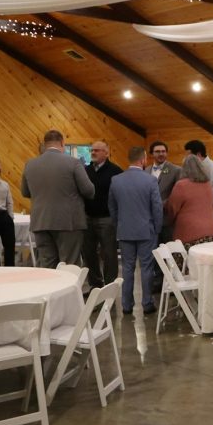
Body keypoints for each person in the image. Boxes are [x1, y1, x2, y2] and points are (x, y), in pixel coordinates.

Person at [21, 130, 95, 269]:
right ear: (62, 143)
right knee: (69, 265)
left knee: (47, 265)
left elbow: (25, 192)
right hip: (68, 222)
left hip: (41, 222)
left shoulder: (30, 164)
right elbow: (89, 190)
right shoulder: (73, 162)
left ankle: (50, 290)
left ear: (45, 144)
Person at [109, 146, 161, 315]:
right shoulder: (150, 180)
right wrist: (157, 228)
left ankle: (126, 304)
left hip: (125, 230)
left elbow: (112, 207)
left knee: (127, 268)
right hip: (146, 230)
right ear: (143, 159)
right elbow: (157, 208)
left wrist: (119, 223)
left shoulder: (116, 180)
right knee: (146, 267)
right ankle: (146, 303)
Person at [82, 140, 123, 288]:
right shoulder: (85, 171)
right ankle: (95, 285)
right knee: (88, 254)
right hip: (87, 218)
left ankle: (109, 287)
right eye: (92, 150)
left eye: (97, 150)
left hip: (107, 219)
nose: (93, 153)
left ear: (106, 153)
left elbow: (120, 196)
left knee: (109, 254)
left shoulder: (116, 172)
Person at [164, 155, 213, 249]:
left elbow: (172, 209)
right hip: (211, 231)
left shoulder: (181, 185)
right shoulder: (207, 184)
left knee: (187, 263)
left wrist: (167, 221)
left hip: (189, 232)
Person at [184, 140, 213, 236]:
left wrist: (209, 219)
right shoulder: (191, 168)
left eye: (189, 155)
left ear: (198, 154)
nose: (186, 158)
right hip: (197, 213)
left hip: (212, 213)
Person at [146, 141, 180, 242]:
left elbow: (178, 193)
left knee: (168, 250)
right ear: (151, 154)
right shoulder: (146, 170)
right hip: (149, 219)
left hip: (167, 218)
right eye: (157, 152)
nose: (161, 154)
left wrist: (161, 204)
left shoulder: (176, 170)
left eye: (163, 151)